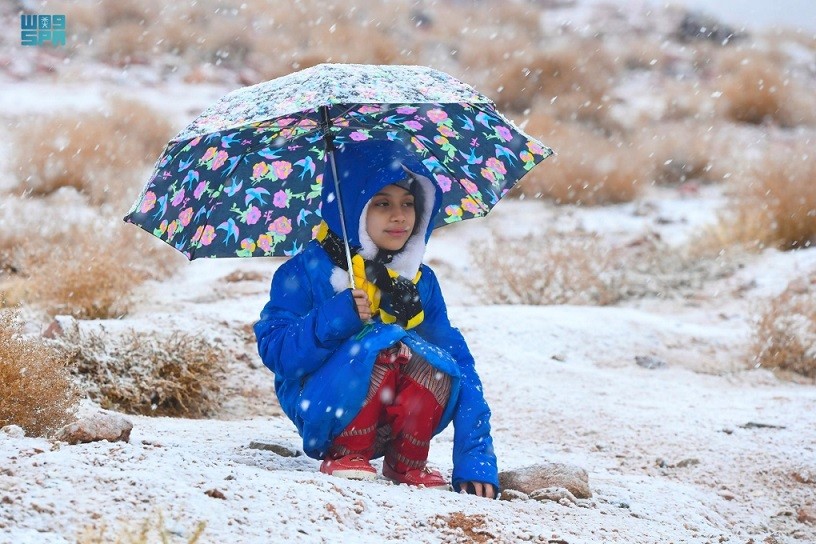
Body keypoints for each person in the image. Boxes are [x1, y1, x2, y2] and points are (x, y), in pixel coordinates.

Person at [254, 139, 497, 498]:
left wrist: (475, 460)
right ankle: (347, 452)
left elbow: (460, 363)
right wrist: (336, 317)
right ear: (352, 209)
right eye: (382, 203)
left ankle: (407, 460)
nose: (400, 216)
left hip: (393, 411)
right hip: (322, 406)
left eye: (408, 204)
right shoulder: (305, 272)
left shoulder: (418, 281)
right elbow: (278, 354)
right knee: (380, 342)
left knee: (440, 363)